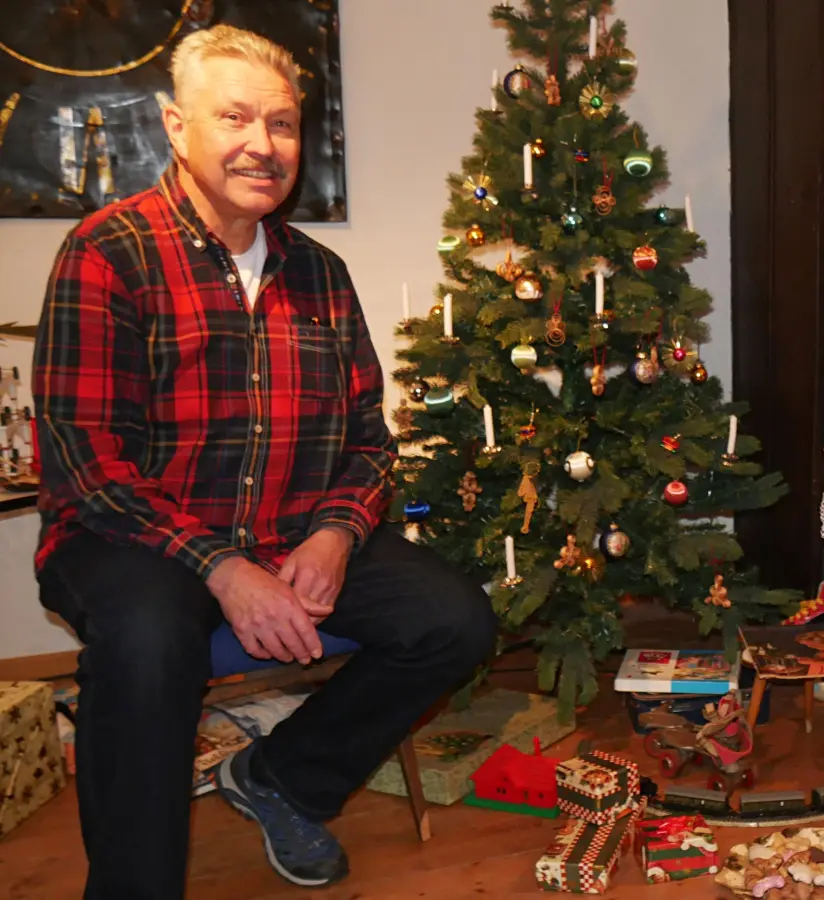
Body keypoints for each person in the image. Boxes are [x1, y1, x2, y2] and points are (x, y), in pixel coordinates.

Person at [31, 25, 496, 898]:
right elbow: (84, 461)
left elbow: (367, 441)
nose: (263, 144)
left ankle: (283, 777)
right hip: (133, 541)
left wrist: (333, 536)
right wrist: (225, 568)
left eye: (281, 124)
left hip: (289, 527)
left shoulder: (320, 273)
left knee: (455, 620)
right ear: (176, 127)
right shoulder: (107, 254)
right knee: (147, 640)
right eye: (235, 117)